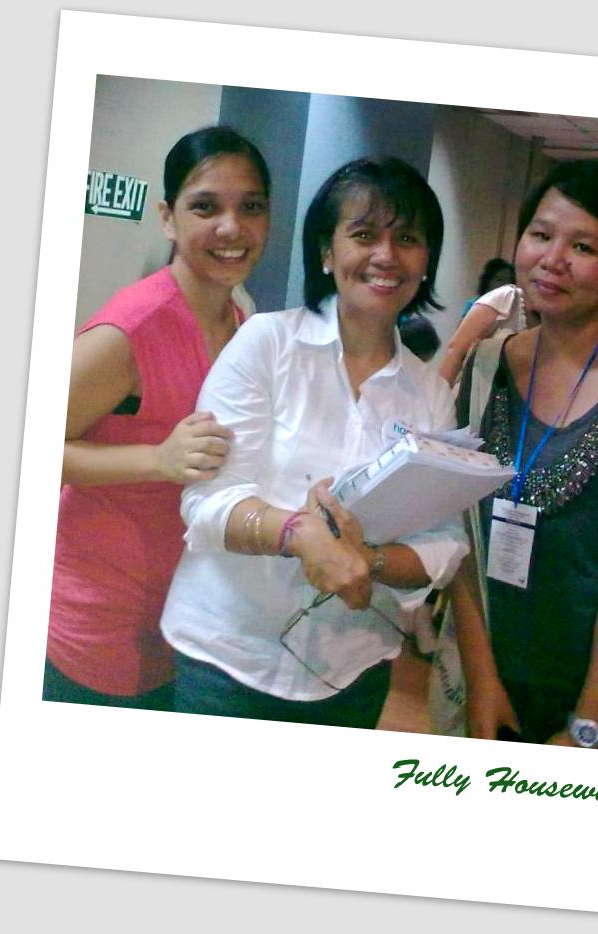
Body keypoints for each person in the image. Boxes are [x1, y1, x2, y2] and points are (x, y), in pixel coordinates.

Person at [160, 156, 469, 729]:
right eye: (363, 235)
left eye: (407, 239)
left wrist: (369, 561)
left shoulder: (429, 393)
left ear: (426, 261)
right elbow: (206, 502)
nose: (386, 255)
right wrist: (299, 535)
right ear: (327, 251)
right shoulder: (266, 344)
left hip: (354, 671)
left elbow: (443, 542)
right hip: (229, 661)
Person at [445, 158, 598, 753]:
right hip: (488, 678)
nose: (552, 258)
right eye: (540, 235)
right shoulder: (488, 366)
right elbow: (460, 533)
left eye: (583, 246)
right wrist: (481, 680)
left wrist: (587, 729)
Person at [44, 125, 272, 710]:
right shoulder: (131, 329)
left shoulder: (243, 326)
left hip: (184, 621)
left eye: (250, 207)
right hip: (98, 626)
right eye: (205, 207)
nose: (231, 227)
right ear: (168, 218)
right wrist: (157, 459)